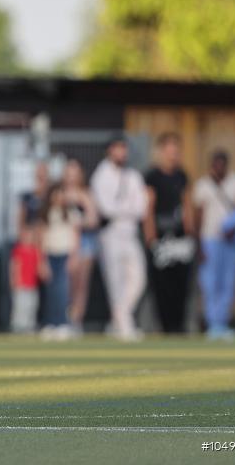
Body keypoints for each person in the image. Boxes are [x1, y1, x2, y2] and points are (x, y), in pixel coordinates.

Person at [90, 135, 149, 341]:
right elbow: (106, 208)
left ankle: (117, 321)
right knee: (116, 282)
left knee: (138, 280)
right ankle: (124, 326)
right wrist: (127, 208)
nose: (121, 153)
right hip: (111, 235)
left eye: (124, 148)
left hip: (130, 234)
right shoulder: (101, 175)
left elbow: (141, 208)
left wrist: (124, 209)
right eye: (117, 148)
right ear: (110, 150)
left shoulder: (133, 176)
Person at [143, 133, 195, 334]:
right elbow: (148, 208)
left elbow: (187, 205)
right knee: (162, 285)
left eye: (176, 151)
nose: (173, 155)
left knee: (181, 284)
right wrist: (151, 238)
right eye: (169, 151)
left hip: (180, 238)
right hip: (161, 238)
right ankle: (165, 327)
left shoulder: (182, 175)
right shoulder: (152, 176)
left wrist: (190, 234)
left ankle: (179, 326)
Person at [194, 150, 235, 340]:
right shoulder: (203, 185)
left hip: (231, 241)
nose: (218, 168)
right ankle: (213, 324)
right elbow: (198, 216)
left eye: (221, 164)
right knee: (210, 284)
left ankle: (223, 323)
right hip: (210, 239)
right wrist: (199, 245)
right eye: (215, 164)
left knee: (228, 283)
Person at [37, 183, 79, 340]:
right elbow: (40, 239)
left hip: (64, 255)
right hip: (50, 255)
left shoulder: (70, 212)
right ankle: (50, 323)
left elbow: (76, 236)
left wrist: (74, 257)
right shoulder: (46, 213)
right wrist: (42, 261)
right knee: (51, 292)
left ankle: (63, 323)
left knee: (63, 291)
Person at [61, 159, 98, 334]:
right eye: (69, 173)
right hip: (64, 243)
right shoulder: (59, 194)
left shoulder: (85, 194)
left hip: (84, 244)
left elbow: (93, 220)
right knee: (65, 283)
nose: (72, 177)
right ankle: (64, 318)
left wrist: (79, 221)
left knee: (81, 285)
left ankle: (77, 320)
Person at [9, 226, 40, 333]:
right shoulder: (18, 250)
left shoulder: (34, 250)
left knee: (31, 305)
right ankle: (18, 325)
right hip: (21, 284)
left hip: (32, 284)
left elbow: (38, 266)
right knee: (20, 305)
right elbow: (15, 265)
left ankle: (29, 325)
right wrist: (14, 279)